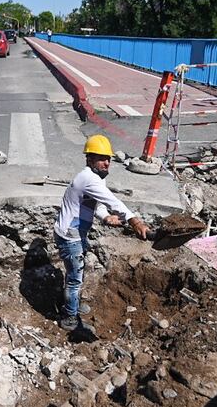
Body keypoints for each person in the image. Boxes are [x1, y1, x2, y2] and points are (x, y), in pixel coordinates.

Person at [53, 135, 149, 331]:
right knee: (74, 278)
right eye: (101, 158)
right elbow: (113, 201)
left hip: (76, 233)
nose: (107, 163)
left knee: (76, 273)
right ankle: (70, 317)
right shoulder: (89, 178)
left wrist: (106, 218)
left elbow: (93, 205)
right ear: (89, 159)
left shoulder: (94, 179)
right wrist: (134, 221)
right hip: (70, 237)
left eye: (108, 159)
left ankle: (74, 304)